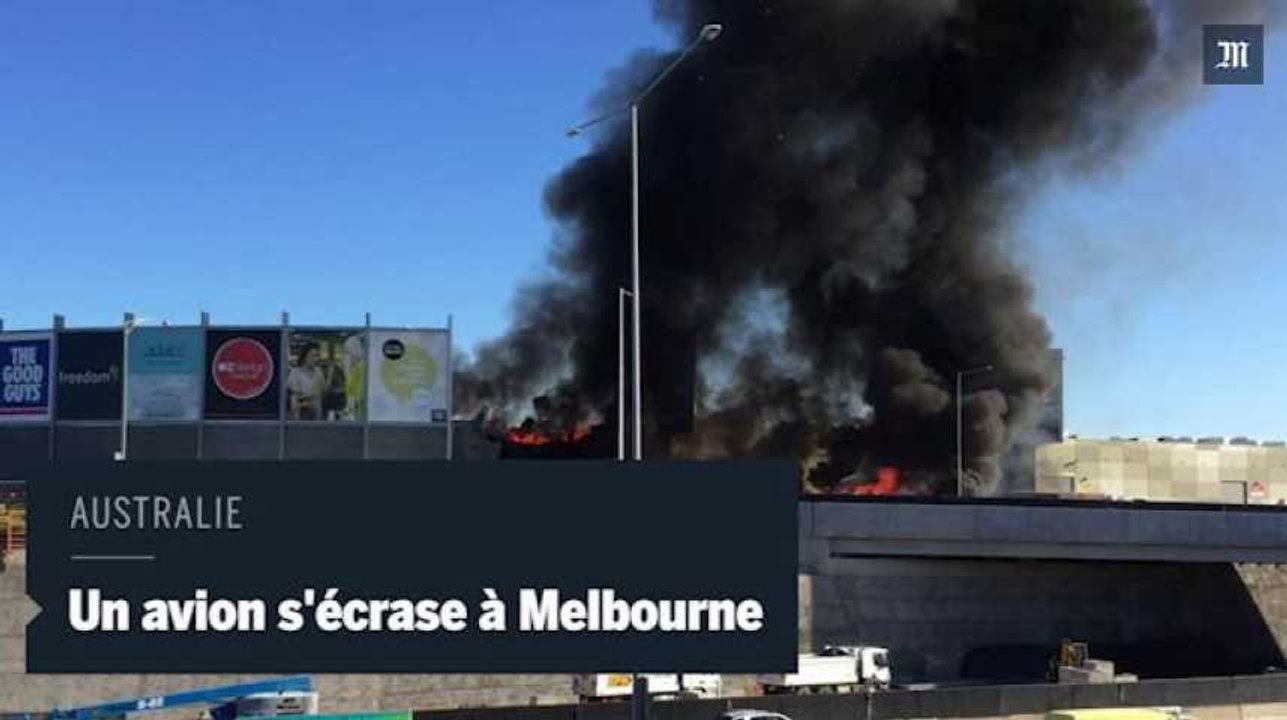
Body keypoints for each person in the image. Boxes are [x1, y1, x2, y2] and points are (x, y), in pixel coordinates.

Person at [287, 342, 327, 420]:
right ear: (304, 357)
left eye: (317, 356)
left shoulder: (319, 372)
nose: (316, 359)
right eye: (313, 356)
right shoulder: (295, 373)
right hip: (301, 417)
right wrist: (307, 403)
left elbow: (322, 392)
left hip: (317, 415)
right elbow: (293, 405)